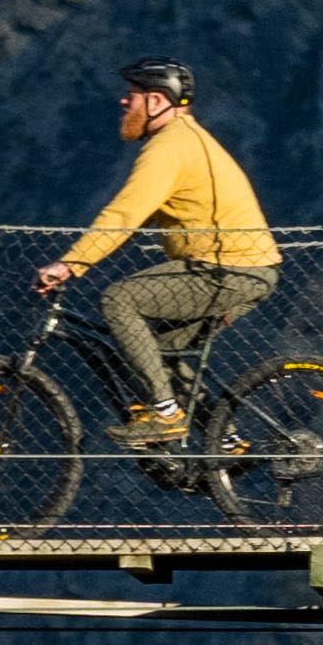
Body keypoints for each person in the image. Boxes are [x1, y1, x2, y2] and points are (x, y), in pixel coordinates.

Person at [39, 58, 280, 452]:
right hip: (244, 268)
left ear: (154, 102)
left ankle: (166, 413)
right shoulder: (184, 140)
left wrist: (71, 264)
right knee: (163, 356)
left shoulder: (169, 148)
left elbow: (124, 214)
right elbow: (146, 213)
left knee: (119, 300)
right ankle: (228, 444)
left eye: (131, 96)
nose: (123, 102)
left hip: (225, 269)